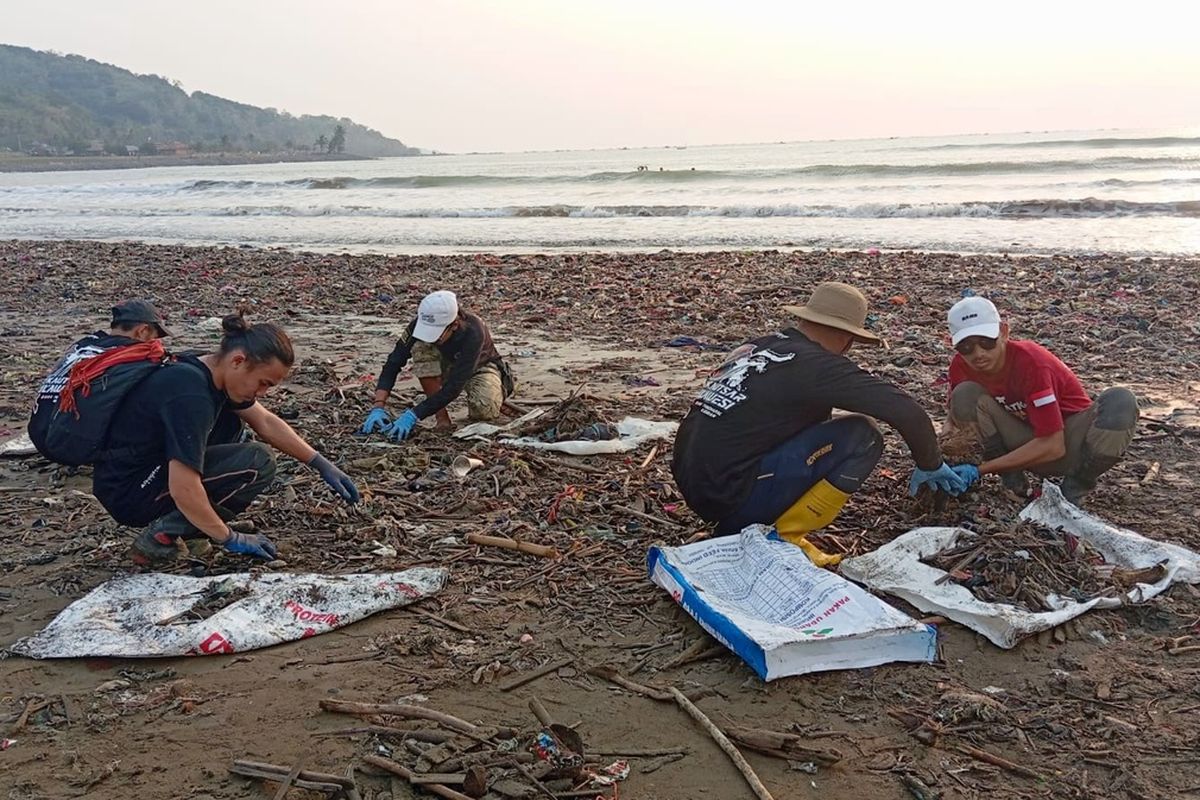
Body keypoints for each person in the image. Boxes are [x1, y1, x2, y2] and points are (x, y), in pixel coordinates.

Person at [671, 282, 966, 566]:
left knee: (814, 423)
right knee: (863, 435)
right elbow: (906, 411)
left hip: (697, 487)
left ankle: (747, 518)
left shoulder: (760, 346)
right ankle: (782, 537)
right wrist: (930, 463)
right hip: (732, 498)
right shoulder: (818, 365)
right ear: (847, 337)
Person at [92, 314, 360, 565]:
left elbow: (265, 422)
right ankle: (161, 536)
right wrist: (229, 537)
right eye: (263, 383)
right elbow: (183, 487)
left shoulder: (208, 368)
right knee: (257, 462)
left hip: (137, 473)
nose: (263, 393)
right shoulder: (190, 394)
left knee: (233, 425)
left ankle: (198, 525)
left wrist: (319, 463)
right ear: (238, 361)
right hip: (130, 491)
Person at [943, 296, 1138, 504]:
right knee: (964, 394)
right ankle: (1013, 482)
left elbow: (1055, 446)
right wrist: (938, 461)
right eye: (966, 347)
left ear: (1004, 332)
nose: (978, 354)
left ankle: (1075, 488)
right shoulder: (961, 366)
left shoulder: (1031, 363)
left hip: (1069, 444)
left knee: (1120, 401)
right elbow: (953, 421)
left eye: (986, 342)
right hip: (1024, 441)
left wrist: (980, 470)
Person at [361, 290, 512, 440]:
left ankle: (498, 392)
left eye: (437, 334)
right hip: (445, 364)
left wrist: (413, 415)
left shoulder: (474, 330)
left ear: (454, 325)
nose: (432, 338)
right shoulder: (419, 324)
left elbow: (455, 386)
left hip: (479, 367)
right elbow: (394, 362)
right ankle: (442, 418)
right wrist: (378, 406)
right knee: (421, 347)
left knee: (483, 410)